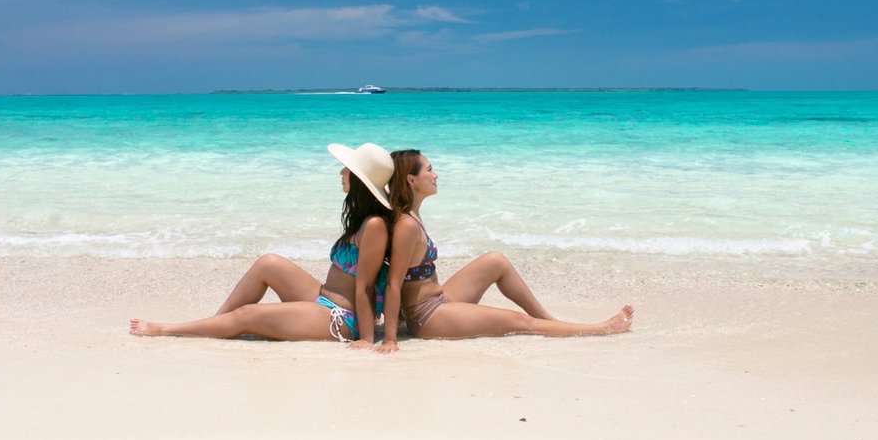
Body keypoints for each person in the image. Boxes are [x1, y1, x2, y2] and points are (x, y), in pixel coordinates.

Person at [130, 143, 394, 343]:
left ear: (359, 180)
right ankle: (216, 323)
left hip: (343, 317)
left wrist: (367, 341)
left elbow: (366, 285)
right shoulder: (362, 220)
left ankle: (167, 330)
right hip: (322, 297)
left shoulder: (374, 226)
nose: (341, 171)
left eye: (347, 168)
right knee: (268, 263)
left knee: (248, 314)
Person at [384, 149, 634, 339]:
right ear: (411, 180)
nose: (435, 174)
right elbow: (393, 283)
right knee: (519, 322)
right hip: (427, 316)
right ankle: (601, 329)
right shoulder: (407, 224)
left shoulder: (412, 216)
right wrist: (390, 340)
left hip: (440, 300)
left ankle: (547, 319)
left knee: (495, 260)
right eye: (429, 169)